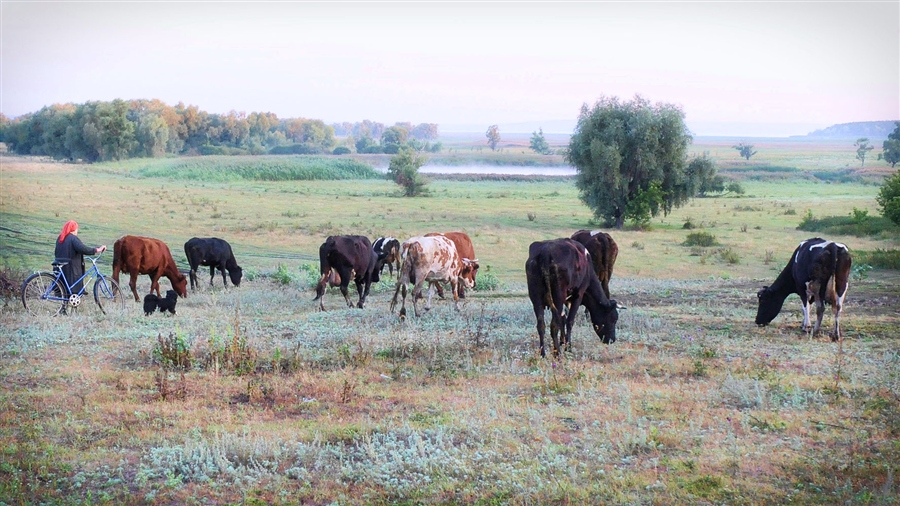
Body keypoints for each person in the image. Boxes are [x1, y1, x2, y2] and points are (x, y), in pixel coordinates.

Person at [54, 220, 107, 295]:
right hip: (70, 269)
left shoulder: (60, 238)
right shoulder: (73, 238)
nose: (77, 232)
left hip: (60, 267)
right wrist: (96, 250)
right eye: (76, 229)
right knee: (72, 289)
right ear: (73, 229)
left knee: (65, 289)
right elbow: (83, 249)